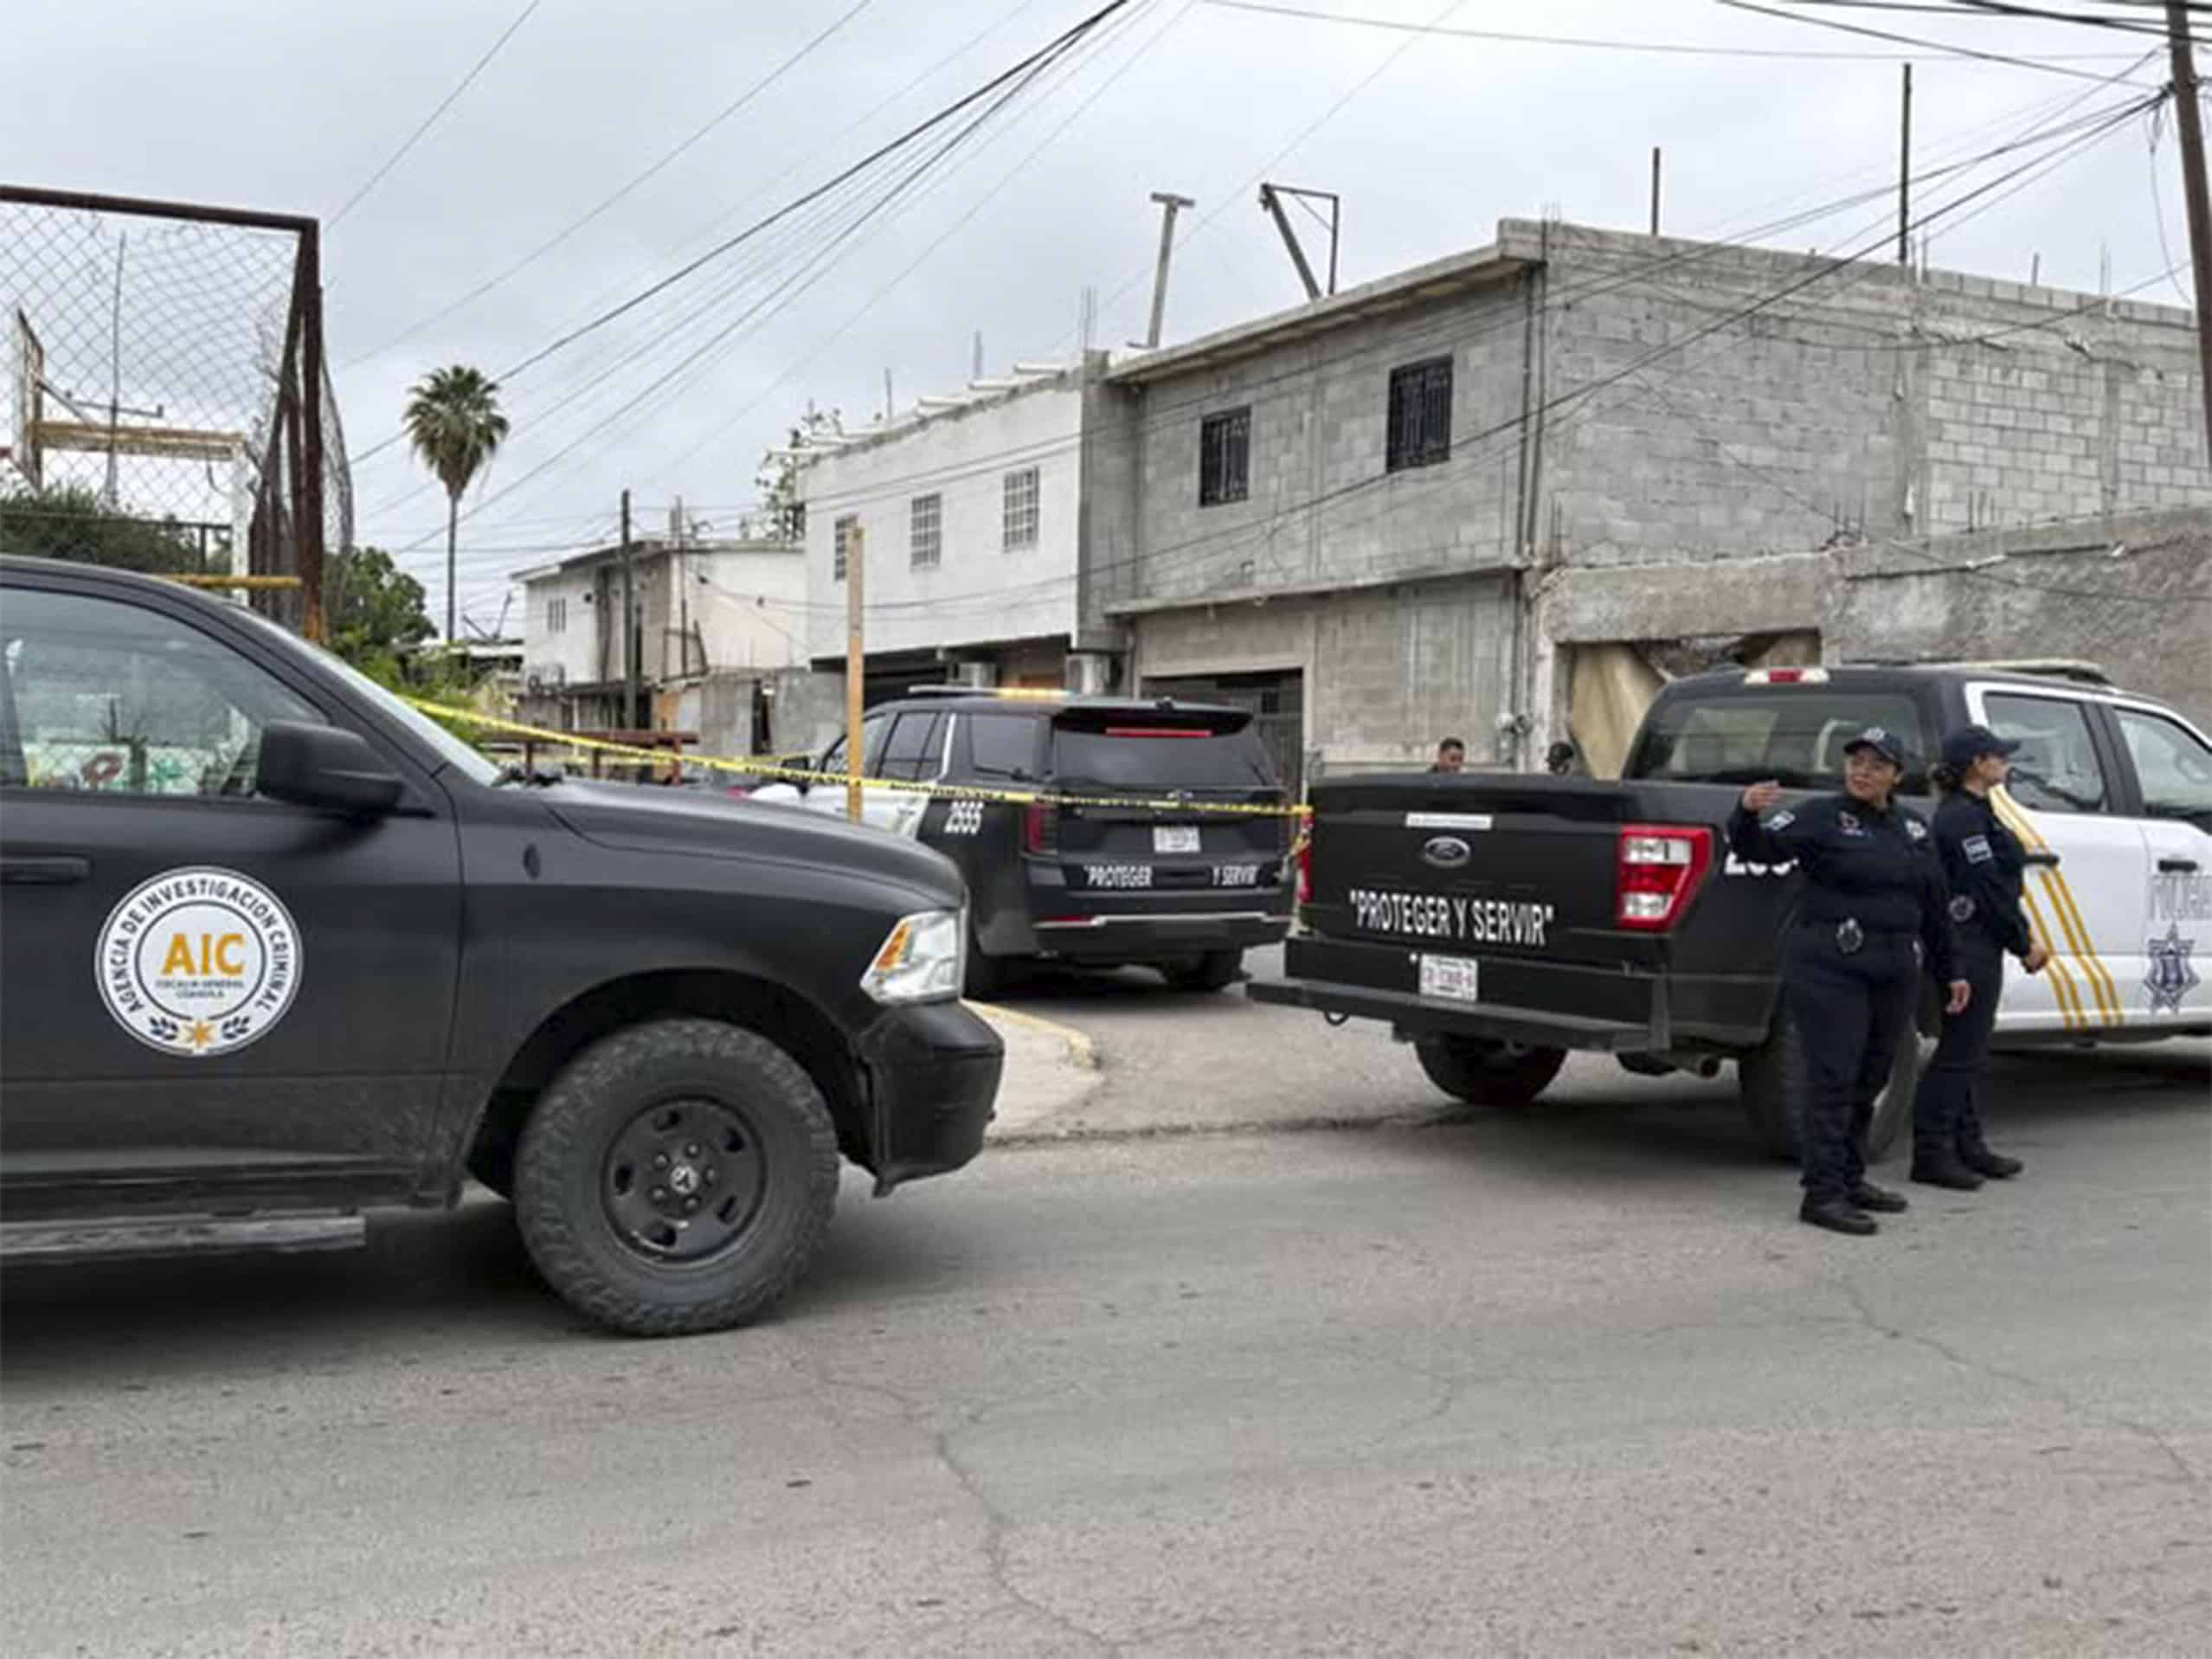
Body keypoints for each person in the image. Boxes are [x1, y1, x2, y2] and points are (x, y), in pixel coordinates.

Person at [1729, 726, 1971, 1237]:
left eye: (1876, 765)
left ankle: (1851, 1176)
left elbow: (1934, 905)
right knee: (1833, 1079)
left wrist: (1951, 972)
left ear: (1896, 777)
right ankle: (1823, 1193)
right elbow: (1759, 850)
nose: (1862, 772)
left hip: (1893, 967)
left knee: (1872, 1077)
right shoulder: (1821, 816)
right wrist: (1746, 813)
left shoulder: (1912, 829)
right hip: (1830, 964)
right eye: (1856, 762)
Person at [1909, 723, 2049, 1189]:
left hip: (1976, 943)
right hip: (1966, 945)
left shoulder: (1977, 810)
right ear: (1977, 764)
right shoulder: (1962, 819)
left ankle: (1968, 1145)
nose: (2005, 763)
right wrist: (2023, 941)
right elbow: (1987, 888)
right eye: (1998, 756)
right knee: (1958, 1053)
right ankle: (1931, 1153)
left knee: (1969, 1052)